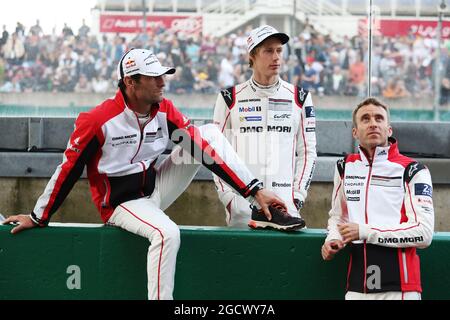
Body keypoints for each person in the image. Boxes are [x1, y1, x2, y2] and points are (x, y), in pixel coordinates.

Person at [2, 48, 287, 300]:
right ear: (130, 82)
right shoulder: (98, 121)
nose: (162, 82)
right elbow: (67, 170)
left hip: (154, 189)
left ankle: (254, 203)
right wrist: (39, 216)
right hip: (120, 205)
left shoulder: (163, 109)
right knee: (167, 234)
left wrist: (254, 190)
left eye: (162, 75)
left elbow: (202, 151)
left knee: (207, 133)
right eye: (153, 77)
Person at [321, 97, 434, 300]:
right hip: (357, 286)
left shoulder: (413, 170)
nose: (373, 123)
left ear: (388, 129)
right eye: (365, 118)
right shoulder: (344, 167)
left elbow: (424, 234)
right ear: (355, 132)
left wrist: (365, 232)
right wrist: (333, 238)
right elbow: (338, 217)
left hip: (399, 288)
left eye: (379, 118)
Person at [213, 25, 317, 230]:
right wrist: (231, 201)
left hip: (286, 209)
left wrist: (296, 198)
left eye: (279, 50)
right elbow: (218, 154)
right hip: (243, 210)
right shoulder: (229, 98)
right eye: (268, 51)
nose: (276, 57)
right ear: (252, 56)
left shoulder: (300, 97)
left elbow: (308, 153)